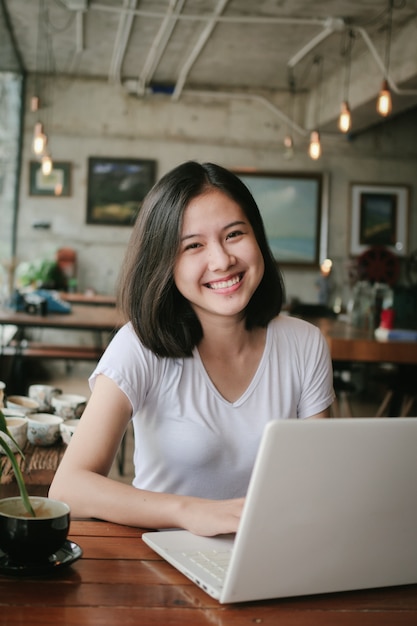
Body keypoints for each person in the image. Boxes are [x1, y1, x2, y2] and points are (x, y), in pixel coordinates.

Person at [50, 161, 335, 536]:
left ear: (258, 237)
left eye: (234, 234)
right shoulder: (139, 347)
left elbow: (324, 481)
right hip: (160, 563)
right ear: (164, 262)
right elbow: (69, 487)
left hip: (271, 554)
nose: (221, 261)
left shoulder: (305, 344)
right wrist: (190, 513)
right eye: (193, 245)